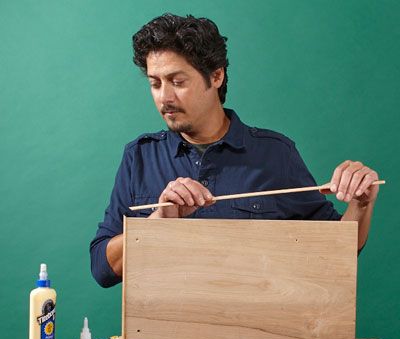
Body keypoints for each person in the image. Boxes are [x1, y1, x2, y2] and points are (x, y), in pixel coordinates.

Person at [90, 13, 380, 288]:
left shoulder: (275, 153)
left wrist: (361, 205)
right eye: (155, 84)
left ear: (216, 76)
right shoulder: (139, 156)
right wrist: (158, 222)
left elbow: (338, 251)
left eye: (177, 82)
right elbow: (102, 268)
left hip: (254, 336)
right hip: (163, 337)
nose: (164, 97)